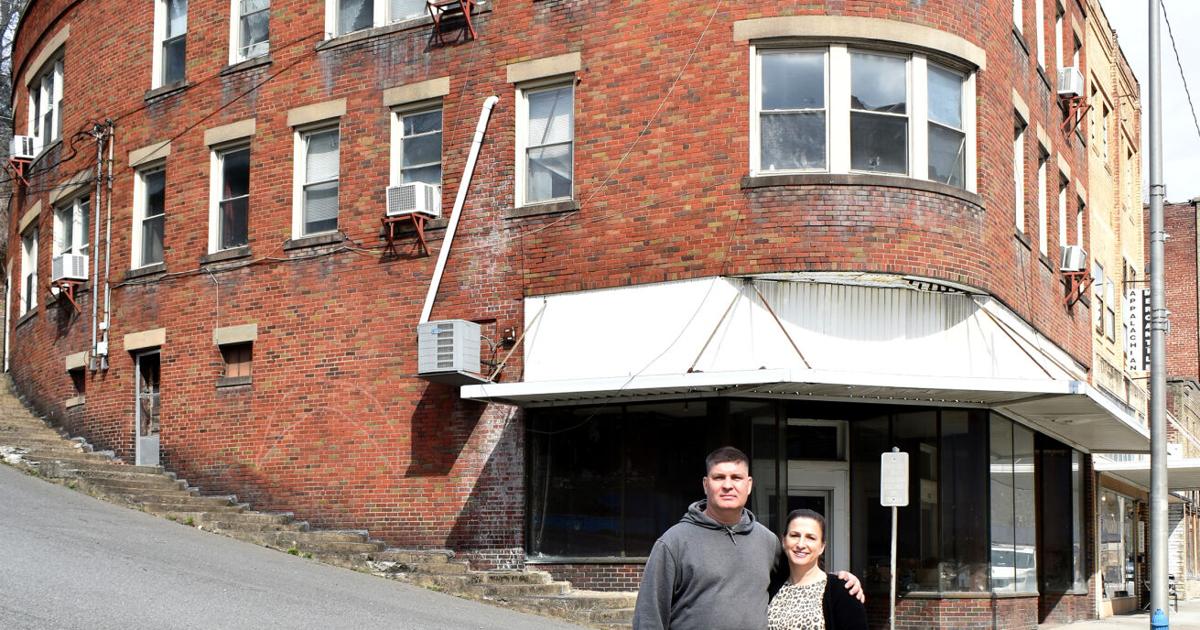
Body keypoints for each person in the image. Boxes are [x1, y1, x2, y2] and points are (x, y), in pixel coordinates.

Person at [632, 446, 863, 630]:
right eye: (719, 477)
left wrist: (840, 581)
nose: (728, 485)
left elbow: (800, 573)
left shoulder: (766, 541)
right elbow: (649, 617)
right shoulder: (673, 542)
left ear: (749, 485)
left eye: (736, 477)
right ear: (705, 484)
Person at [766, 509, 868, 630]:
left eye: (811, 538)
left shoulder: (843, 590)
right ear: (784, 541)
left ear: (822, 547)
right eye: (794, 535)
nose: (801, 544)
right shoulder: (770, 586)